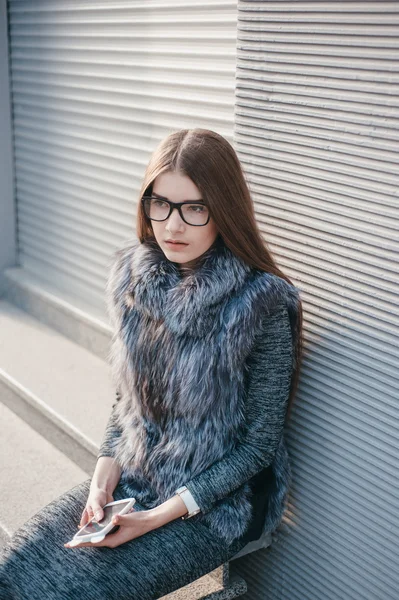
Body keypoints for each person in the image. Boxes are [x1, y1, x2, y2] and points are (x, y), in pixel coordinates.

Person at [0, 128, 303, 600]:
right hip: (137, 479)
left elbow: (258, 448)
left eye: (194, 208)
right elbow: (127, 405)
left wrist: (154, 518)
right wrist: (102, 481)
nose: (172, 225)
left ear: (224, 210)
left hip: (219, 505)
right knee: (15, 572)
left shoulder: (259, 305)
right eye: (159, 203)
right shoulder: (135, 281)